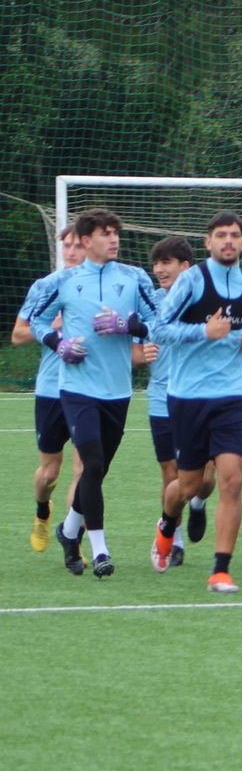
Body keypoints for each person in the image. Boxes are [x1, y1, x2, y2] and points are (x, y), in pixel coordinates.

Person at [28, 209, 163, 578]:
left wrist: (130, 324)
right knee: (92, 465)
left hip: (118, 391)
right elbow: (36, 323)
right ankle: (100, 550)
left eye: (116, 232)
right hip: (75, 388)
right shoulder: (66, 282)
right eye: (106, 234)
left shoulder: (134, 278)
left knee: (95, 472)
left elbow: (162, 321)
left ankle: (68, 531)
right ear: (87, 241)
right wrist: (59, 343)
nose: (114, 239)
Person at [149, 211, 242, 593]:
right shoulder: (192, 281)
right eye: (221, 235)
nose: (228, 241)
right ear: (208, 242)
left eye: (235, 235)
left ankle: (220, 570)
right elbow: (159, 330)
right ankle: (167, 524)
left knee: (231, 481)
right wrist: (206, 331)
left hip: (231, 397)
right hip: (186, 398)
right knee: (189, 486)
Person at [143, 237, 213, 570]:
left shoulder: (205, 300)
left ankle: (198, 503)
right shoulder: (150, 301)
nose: (159, 269)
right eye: (157, 263)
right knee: (171, 474)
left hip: (201, 397)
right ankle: (175, 539)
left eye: (167, 262)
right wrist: (140, 353)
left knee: (209, 475)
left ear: (186, 267)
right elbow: (135, 345)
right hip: (161, 399)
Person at [15, 226, 85, 553]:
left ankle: (73, 539)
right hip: (51, 390)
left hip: (89, 389)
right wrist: (53, 327)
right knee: (49, 473)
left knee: (85, 471)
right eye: (66, 246)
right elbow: (18, 334)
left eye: (77, 245)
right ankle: (43, 512)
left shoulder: (100, 288)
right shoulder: (45, 287)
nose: (71, 252)